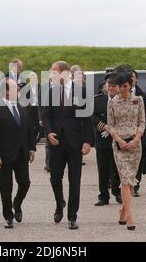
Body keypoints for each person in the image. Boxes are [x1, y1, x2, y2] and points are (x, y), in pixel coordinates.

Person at [40, 61, 93, 230]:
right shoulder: (50, 92)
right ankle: (59, 204)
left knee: (74, 180)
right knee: (55, 178)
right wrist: (48, 133)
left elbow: (87, 118)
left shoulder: (82, 91)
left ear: (64, 73)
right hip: (56, 141)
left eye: (54, 72)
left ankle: (72, 216)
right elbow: (46, 115)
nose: (51, 75)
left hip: (75, 142)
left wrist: (87, 141)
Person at [0, 78, 36, 229]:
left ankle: (18, 203)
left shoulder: (22, 107)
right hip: (4, 155)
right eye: (16, 89)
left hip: (22, 154)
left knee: (25, 183)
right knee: (5, 187)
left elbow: (28, 129)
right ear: (6, 92)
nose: (19, 91)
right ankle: (8, 216)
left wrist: (31, 148)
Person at [106, 67, 146, 231]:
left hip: (136, 145)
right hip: (119, 146)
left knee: (130, 182)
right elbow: (110, 125)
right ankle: (130, 217)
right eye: (119, 86)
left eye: (125, 86)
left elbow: (142, 122)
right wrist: (120, 141)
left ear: (131, 86)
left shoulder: (138, 101)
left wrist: (136, 139)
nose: (122, 89)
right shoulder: (112, 102)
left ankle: (123, 211)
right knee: (124, 179)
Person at [92, 73, 122, 206]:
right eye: (109, 85)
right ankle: (103, 195)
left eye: (114, 86)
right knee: (103, 169)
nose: (111, 88)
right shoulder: (97, 100)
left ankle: (117, 191)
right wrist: (103, 126)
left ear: (119, 87)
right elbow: (91, 116)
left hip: (119, 139)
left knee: (118, 168)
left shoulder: (123, 100)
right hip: (102, 139)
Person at [131, 69, 146, 197]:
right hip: (124, 133)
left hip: (139, 133)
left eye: (133, 77)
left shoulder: (143, 95)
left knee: (137, 160)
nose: (131, 79)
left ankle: (135, 185)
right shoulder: (121, 94)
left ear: (136, 79)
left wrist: (145, 134)